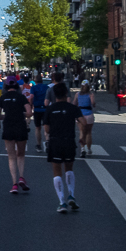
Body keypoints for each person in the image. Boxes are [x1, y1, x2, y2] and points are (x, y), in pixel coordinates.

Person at [44, 82, 81, 213]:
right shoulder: (72, 108)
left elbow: (47, 129)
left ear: (54, 95)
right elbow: (84, 121)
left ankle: (62, 202)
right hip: (69, 141)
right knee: (69, 168)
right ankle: (71, 195)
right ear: (66, 94)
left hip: (55, 142)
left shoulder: (50, 109)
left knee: (56, 170)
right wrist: (81, 134)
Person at [0, 81, 31, 194]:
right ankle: (21, 176)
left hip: (8, 126)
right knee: (21, 154)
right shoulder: (21, 97)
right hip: (20, 126)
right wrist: (20, 114)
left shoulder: (3, 98)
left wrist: (6, 116)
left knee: (11, 156)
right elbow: (29, 112)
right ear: (17, 87)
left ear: (6, 87)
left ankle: (14, 183)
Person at [31, 75, 52, 152]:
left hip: (37, 109)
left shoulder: (33, 88)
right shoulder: (46, 87)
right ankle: (47, 141)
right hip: (45, 109)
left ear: (35, 81)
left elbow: (31, 96)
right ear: (42, 81)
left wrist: (31, 104)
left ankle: (39, 145)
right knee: (46, 126)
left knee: (38, 128)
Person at [76, 80, 96, 158]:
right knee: (88, 132)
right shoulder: (90, 94)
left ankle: (82, 149)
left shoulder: (77, 94)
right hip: (89, 114)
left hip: (80, 115)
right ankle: (89, 149)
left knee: (81, 131)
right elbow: (93, 103)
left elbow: (74, 103)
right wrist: (94, 104)